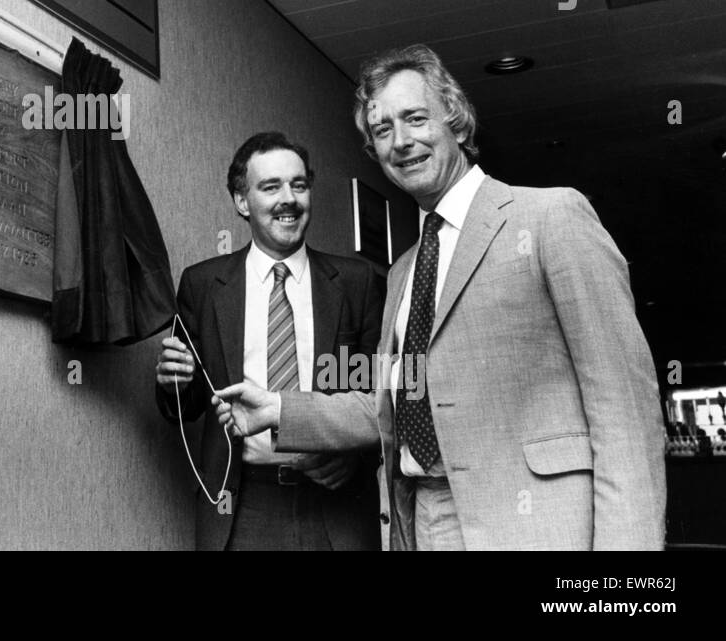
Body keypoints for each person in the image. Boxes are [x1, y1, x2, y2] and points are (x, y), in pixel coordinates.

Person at [215, 45, 666, 550]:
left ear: (455, 119)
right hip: (419, 521)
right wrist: (278, 409)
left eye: (415, 118)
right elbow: (387, 404)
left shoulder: (549, 218)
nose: (401, 141)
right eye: (383, 131)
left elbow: (624, 407)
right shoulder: (404, 270)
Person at [155, 132, 384, 550]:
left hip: (338, 507)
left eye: (298, 185)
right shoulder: (203, 284)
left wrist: (354, 458)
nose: (289, 199)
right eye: (270, 186)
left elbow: (383, 398)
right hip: (243, 508)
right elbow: (182, 409)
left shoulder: (358, 283)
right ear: (242, 201)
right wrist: (175, 378)